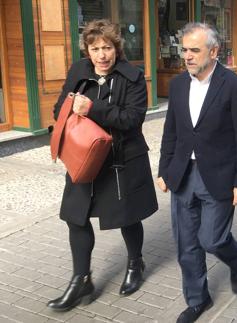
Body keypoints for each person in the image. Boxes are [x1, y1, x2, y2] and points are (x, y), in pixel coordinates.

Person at [48, 19, 158, 311]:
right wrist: (70, 108)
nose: (102, 55)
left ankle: (135, 263)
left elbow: (132, 119)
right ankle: (81, 279)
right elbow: (59, 108)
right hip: (83, 158)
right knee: (76, 216)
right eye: (95, 48)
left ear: (116, 48)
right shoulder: (79, 71)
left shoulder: (132, 77)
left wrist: (92, 108)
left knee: (127, 217)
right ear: (87, 49)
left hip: (120, 160)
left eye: (107, 47)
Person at [157, 23, 237, 323]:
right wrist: (164, 170)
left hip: (219, 175)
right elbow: (170, 132)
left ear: (213, 52)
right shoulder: (177, 86)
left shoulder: (234, 86)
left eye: (194, 50)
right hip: (182, 175)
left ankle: (236, 258)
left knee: (212, 240)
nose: (187, 56)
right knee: (186, 244)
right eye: (184, 49)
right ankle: (198, 299)